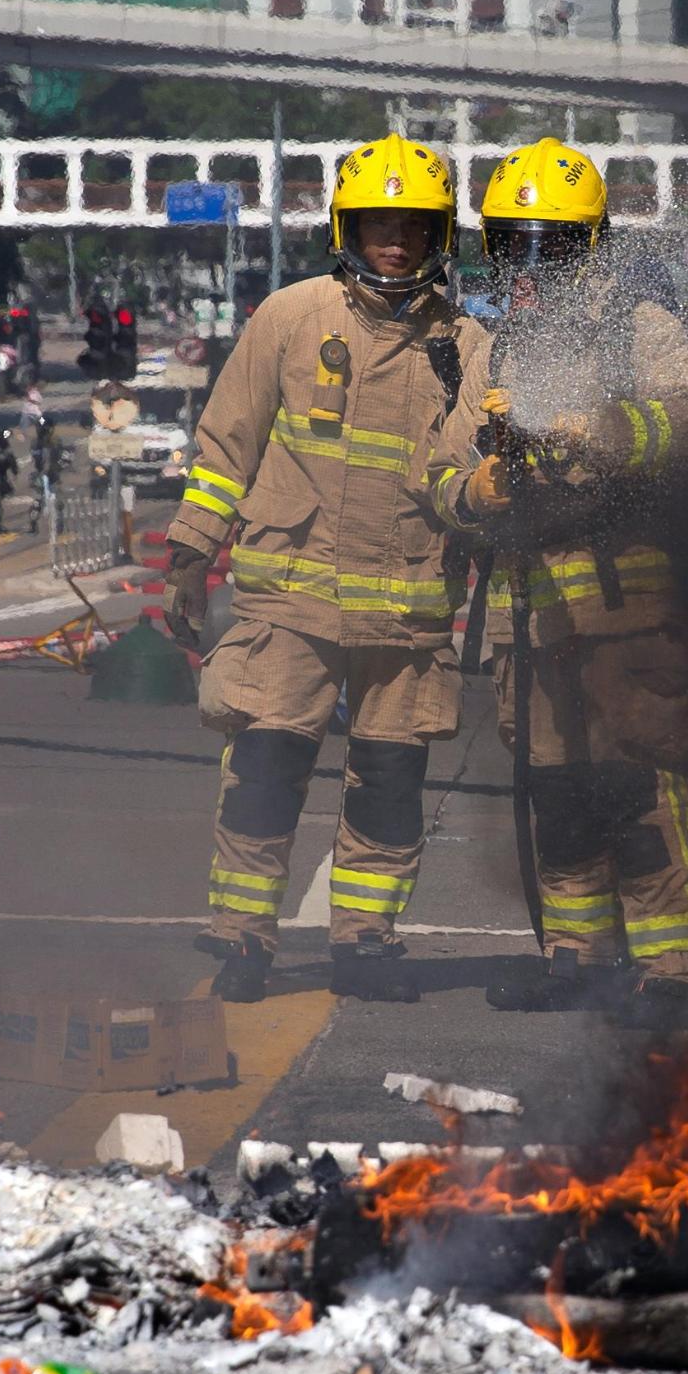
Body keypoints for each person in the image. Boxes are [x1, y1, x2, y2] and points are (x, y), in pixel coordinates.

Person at [162, 134, 482, 1005]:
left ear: (438, 236)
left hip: (407, 611)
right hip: (289, 596)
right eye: (379, 224)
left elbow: (469, 477)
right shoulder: (292, 319)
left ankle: (366, 944)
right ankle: (242, 938)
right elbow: (228, 445)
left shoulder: (465, 346)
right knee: (263, 771)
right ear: (347, 226)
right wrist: (191, 553)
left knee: (388, 786)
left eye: (413, 227)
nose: (395, 242)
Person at [428, 139, 688, 1029]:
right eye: (513, 242)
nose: (528, 261)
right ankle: (579, 958)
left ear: (587, 243)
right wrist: (472, 490)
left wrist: (606, 432)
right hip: (534, 615)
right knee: (558, 794)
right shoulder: (499, 347)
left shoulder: (639, 328)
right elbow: (438, 466)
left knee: (640, 787)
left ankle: (678, 966)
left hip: (630, 615)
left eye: (547, 242)